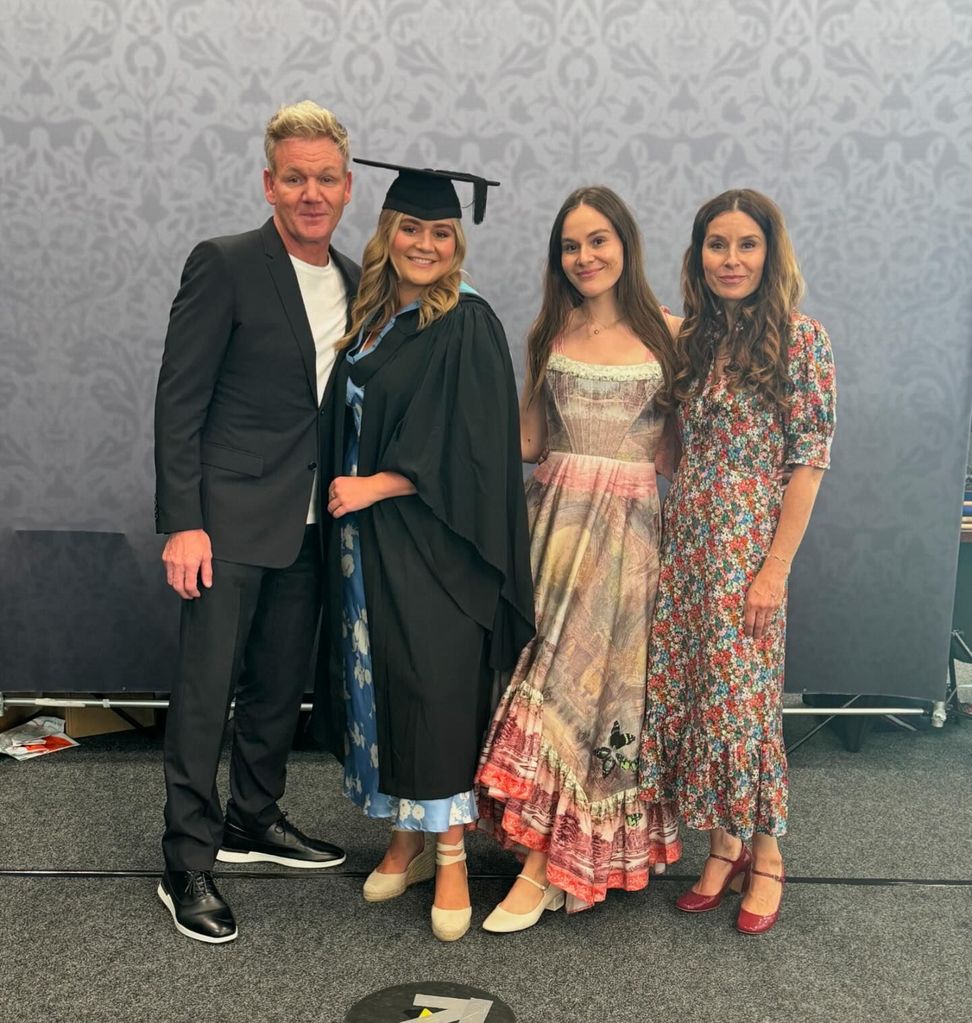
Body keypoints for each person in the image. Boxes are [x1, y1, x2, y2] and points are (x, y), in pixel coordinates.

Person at [312, 159, 535, 942]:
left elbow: (472, 447)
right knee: (386, 685)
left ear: (457, 242)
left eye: (442, 232)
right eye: (412, 228)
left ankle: (447, 856)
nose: (426, 243)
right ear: (388, 232)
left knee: (435, 688)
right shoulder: (374, 316)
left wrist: (376, 485)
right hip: (367, 551)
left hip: (438, 547)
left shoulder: (466, 322)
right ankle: (403, 839)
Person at [153, 101, 360, 943]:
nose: (311, 192)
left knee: (279, 687)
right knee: (207, 695)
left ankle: (254, 818)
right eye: (295, 177)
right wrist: (183, 521)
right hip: (228, 521)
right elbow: (179, 399)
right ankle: (187, 860)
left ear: (347, 188)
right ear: (268, 183)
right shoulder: (227, 263)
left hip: (310, 525)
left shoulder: (355, 276)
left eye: (325, 178)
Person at [473, 186, 683, 932]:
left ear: (625, 244)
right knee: (541, 681)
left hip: (628, 544)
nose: (585, 256)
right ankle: (543, 851)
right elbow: (528, 439)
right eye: (571, 245)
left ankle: (544, 867)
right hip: (553, 528)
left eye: (598, 240)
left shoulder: (670, 335)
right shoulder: (549, 329)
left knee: (604, 699)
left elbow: (681, 451)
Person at [638, 188, 837, 934]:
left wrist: (774, 569)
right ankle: (720, 845)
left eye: (745, 244)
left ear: (769, 252)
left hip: (750, 550)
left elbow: (808, 466)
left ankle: (767, 850)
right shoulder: (691, 341)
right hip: (687, 545)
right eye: (716, 245)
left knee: (745, 705)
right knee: (697, 697)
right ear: (699, 257)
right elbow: (676, 447)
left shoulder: (801, 340)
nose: (731, 258)